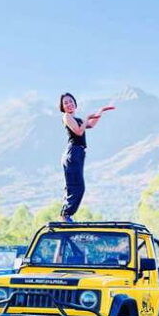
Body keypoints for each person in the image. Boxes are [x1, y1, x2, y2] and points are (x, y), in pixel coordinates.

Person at [58, 92, 115, 222]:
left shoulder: (76, 119)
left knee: (75, 185)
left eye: (70, 101)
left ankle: (66, 214)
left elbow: (91, 125)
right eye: (65, 103)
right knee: (77, 186)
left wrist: (100, 111)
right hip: (73, 152)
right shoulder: (67, 116)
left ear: (75, 103)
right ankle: (65, 214)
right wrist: (86, 118)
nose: (69, 104)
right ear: (62, 107)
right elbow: (79, 131)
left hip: (78, 153)